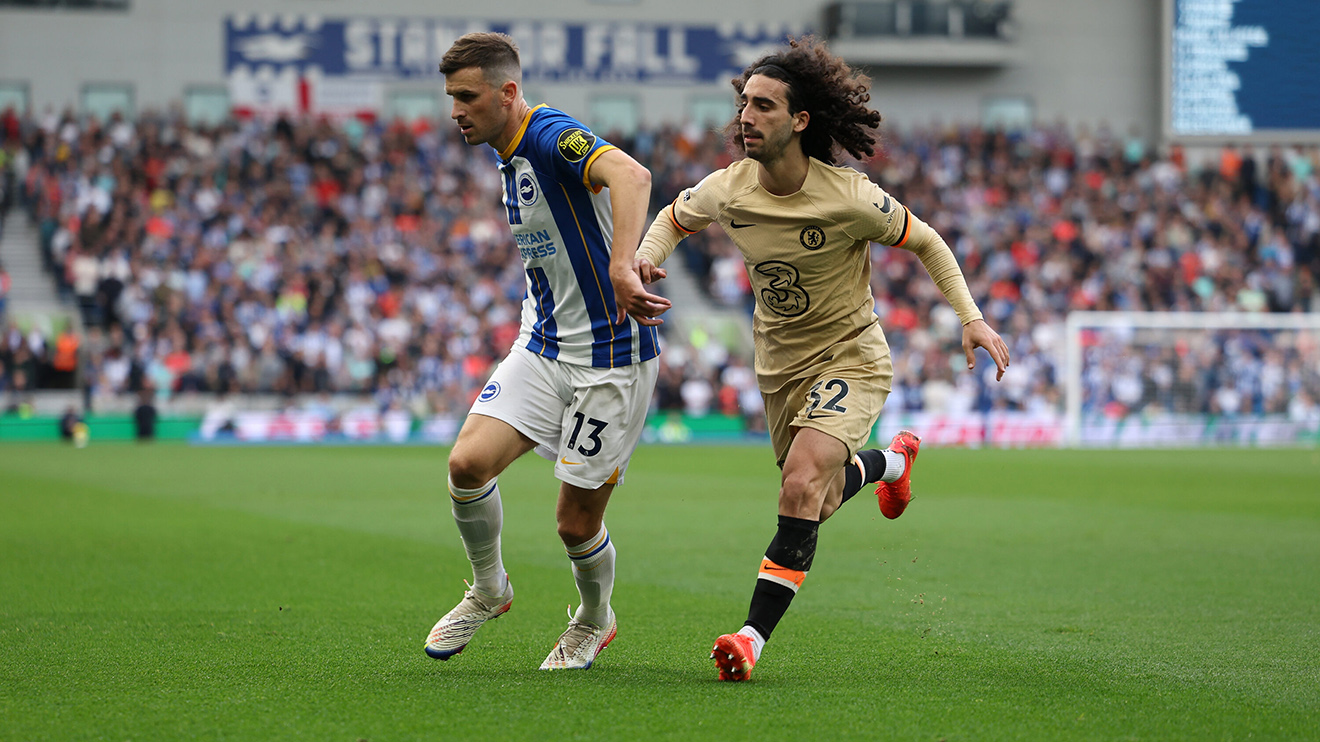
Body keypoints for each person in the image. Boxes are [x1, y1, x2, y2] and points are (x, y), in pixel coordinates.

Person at [634, 37, 1011, 681]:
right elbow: (672, 217)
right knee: (821, 497)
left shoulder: (850, 198)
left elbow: (928, 242)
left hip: (851, 356)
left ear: (800, 121)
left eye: (764, 106)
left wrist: (970, 318)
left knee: (801, 482)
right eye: (744, 103)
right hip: (779, 365)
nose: (746, 117)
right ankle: (893, 462)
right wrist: (646, 255)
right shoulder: (729, 189)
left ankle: (750, 637)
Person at [423, 32, 669, 671]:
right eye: (451, 97)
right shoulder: (504, 153)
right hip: (543, 345)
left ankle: (594, 618)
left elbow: (631, 174)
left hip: (612, 356)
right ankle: (489, 589)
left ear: (508, 93)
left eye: (467, 97)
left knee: (574, 523)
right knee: (467, 465)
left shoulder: (548, 133)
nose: (456, 110)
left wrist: (622, 264)